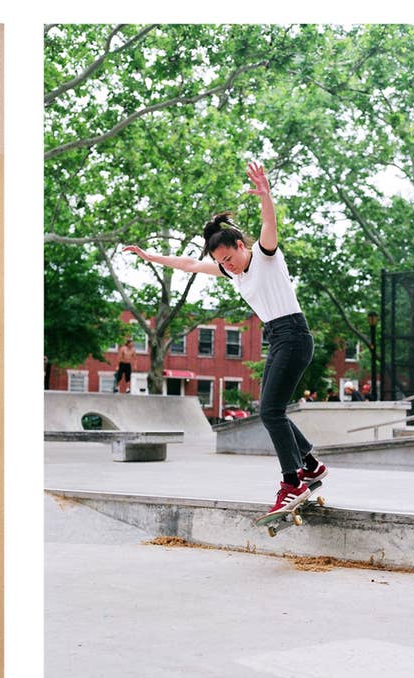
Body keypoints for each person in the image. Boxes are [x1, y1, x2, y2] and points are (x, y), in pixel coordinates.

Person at [123, 162, 327, 518]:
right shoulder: (230, 272)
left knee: (270, 411)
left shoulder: (266, 256)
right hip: (279, 338)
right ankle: (309, 464)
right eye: (221, 262)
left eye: (230, 258)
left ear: (240, 245)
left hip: (294, 334)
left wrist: (266, 196)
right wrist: (149, 256)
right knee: (271, 409)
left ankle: (293, 480)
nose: (228, 266)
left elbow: (268, 224)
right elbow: (188, 265)